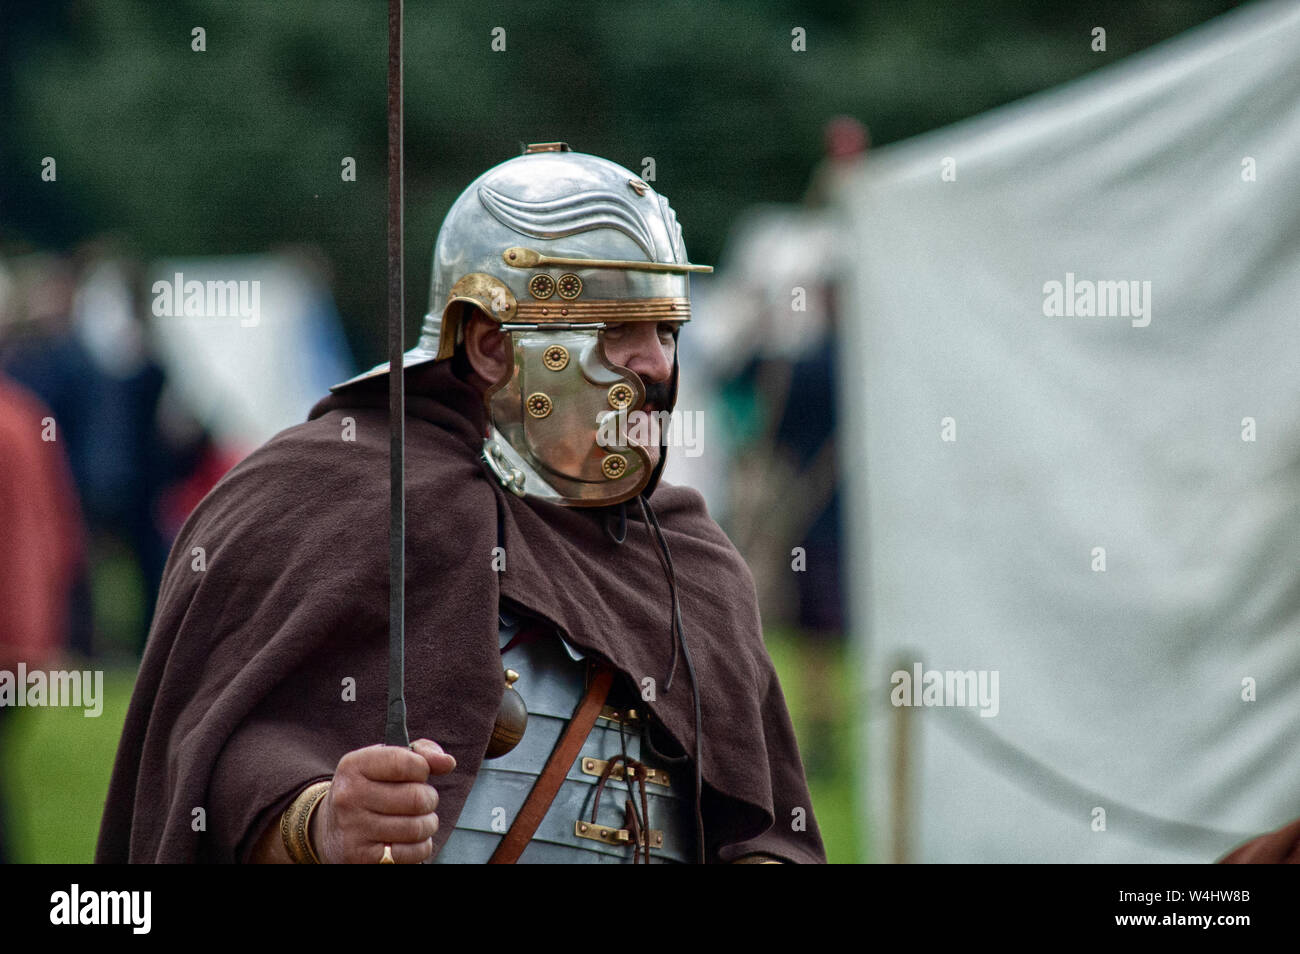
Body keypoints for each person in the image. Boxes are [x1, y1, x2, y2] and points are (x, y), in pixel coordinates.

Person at [96, 143, 827, 864]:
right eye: (617, 332)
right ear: (489, 345)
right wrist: (318, 825)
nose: (659, 367)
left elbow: (763, 831)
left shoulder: (688, 557)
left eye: (667, 331)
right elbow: (206, 766)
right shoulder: (323, 497)